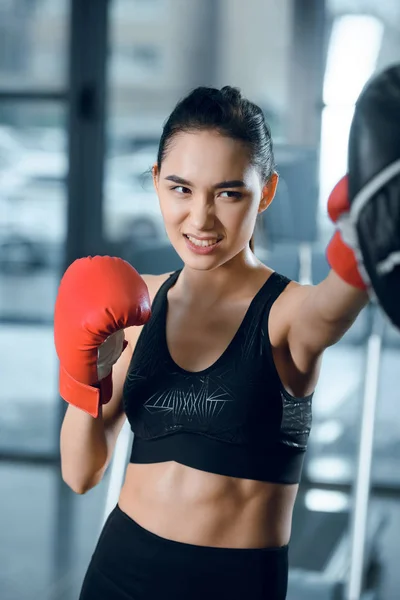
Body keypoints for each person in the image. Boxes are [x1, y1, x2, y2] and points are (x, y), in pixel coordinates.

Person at [56, 86, 371, 600]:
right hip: (118, 573)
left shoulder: (288, 312)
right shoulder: (138, 301)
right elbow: (80, 473)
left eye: (228, 193)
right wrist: (83, 372)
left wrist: (365, 238)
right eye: (180, 188)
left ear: (265, 192)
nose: (200, 218)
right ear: (157, 182)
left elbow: (335, 303)